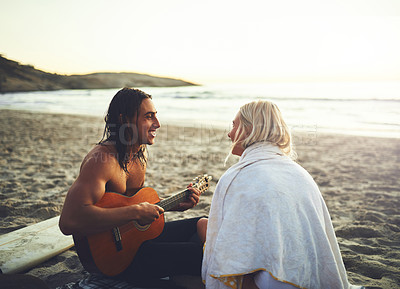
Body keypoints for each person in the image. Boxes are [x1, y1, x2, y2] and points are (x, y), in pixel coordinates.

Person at [202, 100, 364, 289]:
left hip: (273, 282)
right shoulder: (299, 173)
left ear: (248, 129)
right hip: (309, 278)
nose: (229, 134)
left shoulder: (237, 176)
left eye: (233, 125)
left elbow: (230, 254)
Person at [59, 87, 207, 287]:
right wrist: (136, 211)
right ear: (124, 120)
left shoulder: (139, 154)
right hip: (114, 261)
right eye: (148, 117)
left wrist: (173, 205)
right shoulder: (101, 160)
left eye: (156, 116)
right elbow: (69, 220)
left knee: (205, 225)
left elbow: (130, 209)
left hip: (135, 243)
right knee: (198, 255)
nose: (158, 124)